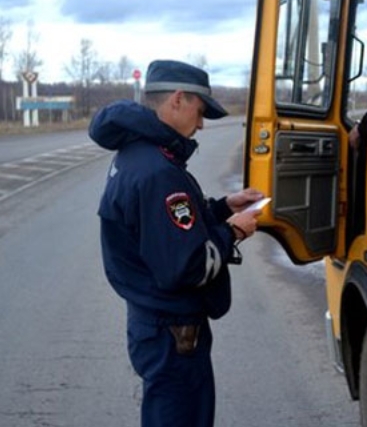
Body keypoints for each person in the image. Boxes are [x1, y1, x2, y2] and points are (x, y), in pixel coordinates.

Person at [89, 59, 264, 427]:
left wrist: (220, 209)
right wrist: (233, 231)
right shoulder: (158, 172)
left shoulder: (137, 153)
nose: (201, 124)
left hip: (154, 324)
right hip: (173, 332)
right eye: (200, 113)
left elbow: (159, 231)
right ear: (179, 100)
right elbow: (188, 266)